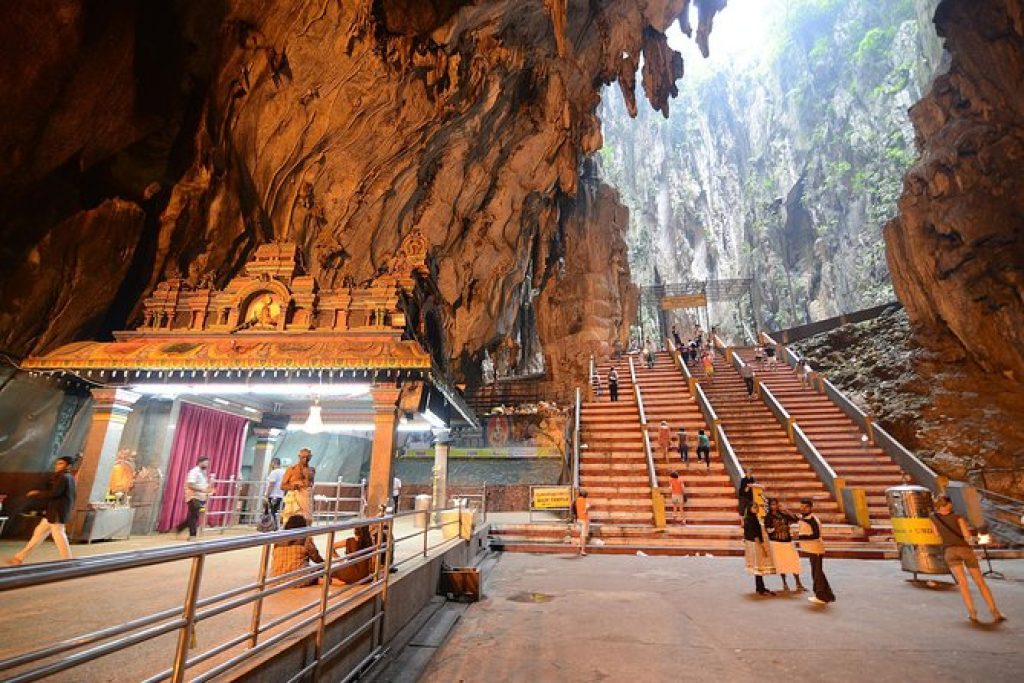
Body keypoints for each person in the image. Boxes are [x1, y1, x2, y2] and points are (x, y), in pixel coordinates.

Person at [929, 495, 1005, 623]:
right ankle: (994, 611)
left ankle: (972, 613)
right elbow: (967, 536)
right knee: (980, 582)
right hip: (964, 550)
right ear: (948, 504)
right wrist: (978, 540)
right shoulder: (958, 517)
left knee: (963, 584)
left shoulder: (933, 518)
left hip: (949, 551)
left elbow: (936, 534)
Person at [7, 456, 77, 565]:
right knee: (38, 535)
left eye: (61, 463)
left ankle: (67, 561)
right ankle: (19, 557)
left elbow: (54, 494)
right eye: (57, 463)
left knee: (59, 536)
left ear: (68, 466)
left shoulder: (63, 477)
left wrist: (37, 494)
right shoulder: (69, 478)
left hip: (56, 513)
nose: (57, 466)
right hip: (53, 512)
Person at [798, 498, 835, 605]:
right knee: (818, 572)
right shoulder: (805, 518)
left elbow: (816, 535)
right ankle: (828, 595)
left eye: (805, 507)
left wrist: (800, 536)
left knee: (817, 573)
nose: (803, 509)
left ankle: (821, 596)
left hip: (816, 549)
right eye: (801, 507)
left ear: (810, 508)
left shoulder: (813, 519)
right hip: (811, 549)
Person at [763, 498, 805, 592]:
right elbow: (768, 530)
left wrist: (786, 510)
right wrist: (778, 528)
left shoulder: (783, 514)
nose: (774, 506)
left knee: (794, 562)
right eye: (772, 504)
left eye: (776, 504)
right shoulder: (768, 517)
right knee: (781, 564)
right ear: (769, 506)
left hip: (788, 541)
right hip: (776, 542)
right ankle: (784, 583)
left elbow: (796, 519)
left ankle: (798, 584)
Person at [271, 515, 325, 586]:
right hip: (299, 578)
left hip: (277, 578)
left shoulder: (279, 539)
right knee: (319, 570)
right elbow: (315, 558)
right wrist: (324, 563)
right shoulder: (306, 538)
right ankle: (319, 580)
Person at [744, 503, 775, 596]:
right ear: (749, 509)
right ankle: (760, 588)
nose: (756, 508)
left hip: (751, 544)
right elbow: (756, 535)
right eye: (754, 507)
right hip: (755, 545)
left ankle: (760, 587)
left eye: (757, 507)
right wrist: (763, 548)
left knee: (757, 566)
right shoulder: (752, 519)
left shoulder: (751, 518)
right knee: (759, 566)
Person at [176, 456, 210, 541]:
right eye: (205, 462)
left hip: (201, 497)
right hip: (193, 497)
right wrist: (202, 489)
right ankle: (192, 536)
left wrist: (207, 490)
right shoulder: (194, 472)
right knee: (194, 516)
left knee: (194, 515)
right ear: (200, 462)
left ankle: (180, 527)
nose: (207, 464)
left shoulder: (204, 472)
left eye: (208, 463)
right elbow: (190, 484)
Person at [282, 449, 314, 522]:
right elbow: (283, 486)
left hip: (305, 499)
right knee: (291, 522)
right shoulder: (291, 469)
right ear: (299, 457)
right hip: (293, 500)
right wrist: (293, 486)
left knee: (306, 520)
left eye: (308, 458)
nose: (305, 459)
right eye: (303, 457)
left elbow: (310, 485)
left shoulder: (311, 471)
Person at [575, 489, 589, 556]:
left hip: (578, 519)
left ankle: (580, 545)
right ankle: (583, 551)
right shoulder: (585, 500)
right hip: (584, 519)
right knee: (583, 535)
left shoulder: (577, 500)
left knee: (581, 534)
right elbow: (587, 508)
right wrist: (587, 509)